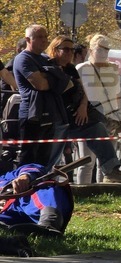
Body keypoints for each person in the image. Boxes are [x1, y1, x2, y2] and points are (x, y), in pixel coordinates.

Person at [45, 35, 121, 183]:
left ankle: (111, 171)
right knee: (55, 159)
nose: (70, 52)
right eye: (66, 49)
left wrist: (83, 106)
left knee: (97, 130)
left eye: (71, 49)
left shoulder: (71, 68)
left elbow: (83, 90)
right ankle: (42, 184)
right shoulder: (49, 66)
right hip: (56, 119)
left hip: (82, 116)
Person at [13, 25, 69, 169]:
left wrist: (49, 75)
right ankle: (23, 188)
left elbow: (64, 80)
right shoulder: (23, 59)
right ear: (28, 39)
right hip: (32, 115)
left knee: (44, 159)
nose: (44, 40)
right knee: (29, 157)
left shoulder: (46, 58)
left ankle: (41, 188)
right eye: (39, 37)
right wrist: (54, 77)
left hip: (50, 114)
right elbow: (40, 85)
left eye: (45, 36)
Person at [76, 34, 121, 182]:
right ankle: (83, 192)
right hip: (89, 118)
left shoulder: (113, 69)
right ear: (91, 50)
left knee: (107, 163)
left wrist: (120, 115)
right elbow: (77, 93)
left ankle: (104, 190)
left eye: (106, 50)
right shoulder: (81, 68)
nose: (103, 53)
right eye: (100, 49)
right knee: (86, 161)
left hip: (110, 117)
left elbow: (117, 94)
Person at [0, 162, 73, 234]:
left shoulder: (3, 179)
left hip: (29, 201)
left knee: (41, 187)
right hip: (6, 216)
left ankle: (49, 222)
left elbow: (33, 167)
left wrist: (25, 176)